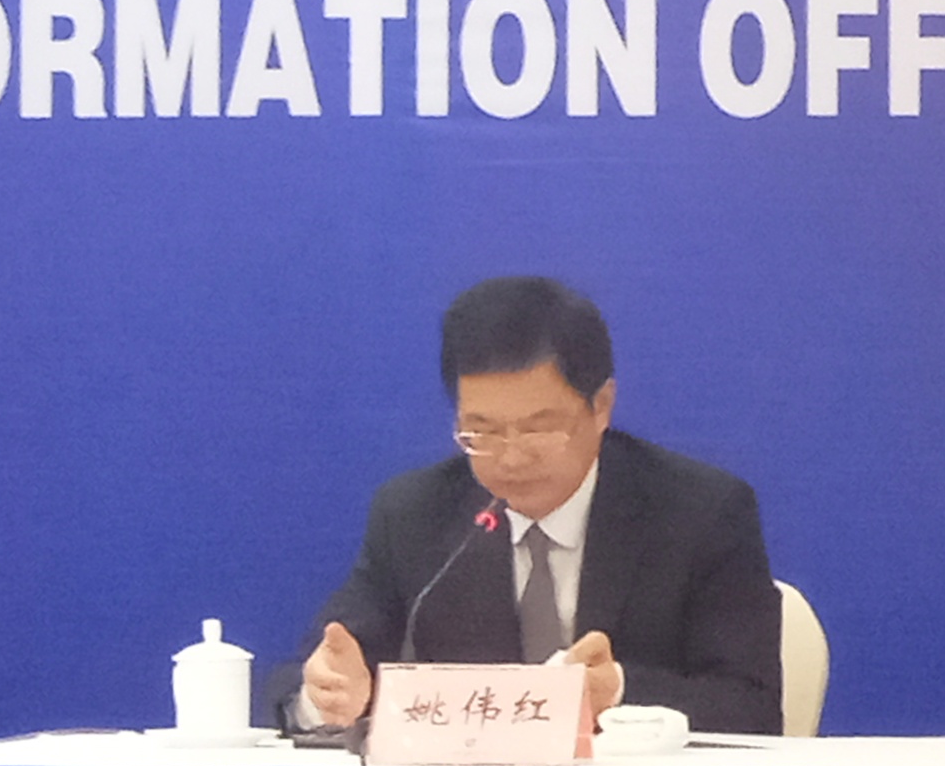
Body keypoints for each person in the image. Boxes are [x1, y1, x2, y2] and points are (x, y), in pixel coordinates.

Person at [296, 275, 785, 739]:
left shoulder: (700, 513)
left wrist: (617, 691)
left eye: (538, 429)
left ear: (601, 406)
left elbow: (753, 706)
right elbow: (313, 674)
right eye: (482, 432)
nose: (511, 458)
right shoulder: (413, 515)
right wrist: (328, 694)